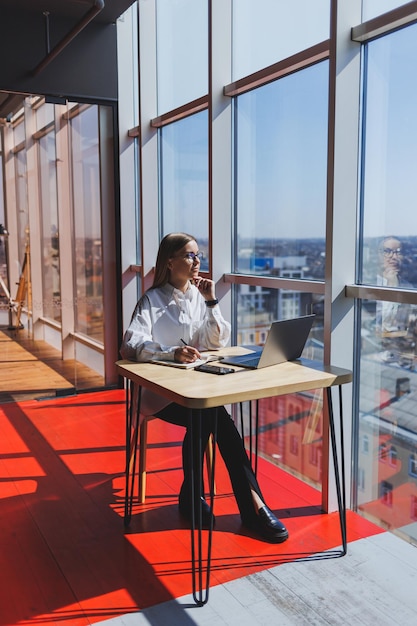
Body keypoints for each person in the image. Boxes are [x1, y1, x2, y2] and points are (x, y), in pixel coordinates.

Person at [120, 232, 289, 543]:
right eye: (189, 255)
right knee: (212, 418)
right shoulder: (151, 300)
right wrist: (171, 353)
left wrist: (212, 302)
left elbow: (215, 342)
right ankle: (252, 505)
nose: (197, 261)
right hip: (160, 394)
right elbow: (130, 346)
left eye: (198, 255)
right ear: (169, 262)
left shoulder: (199, 297)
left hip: (195, 388)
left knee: (206, 416)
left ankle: (194, 497)